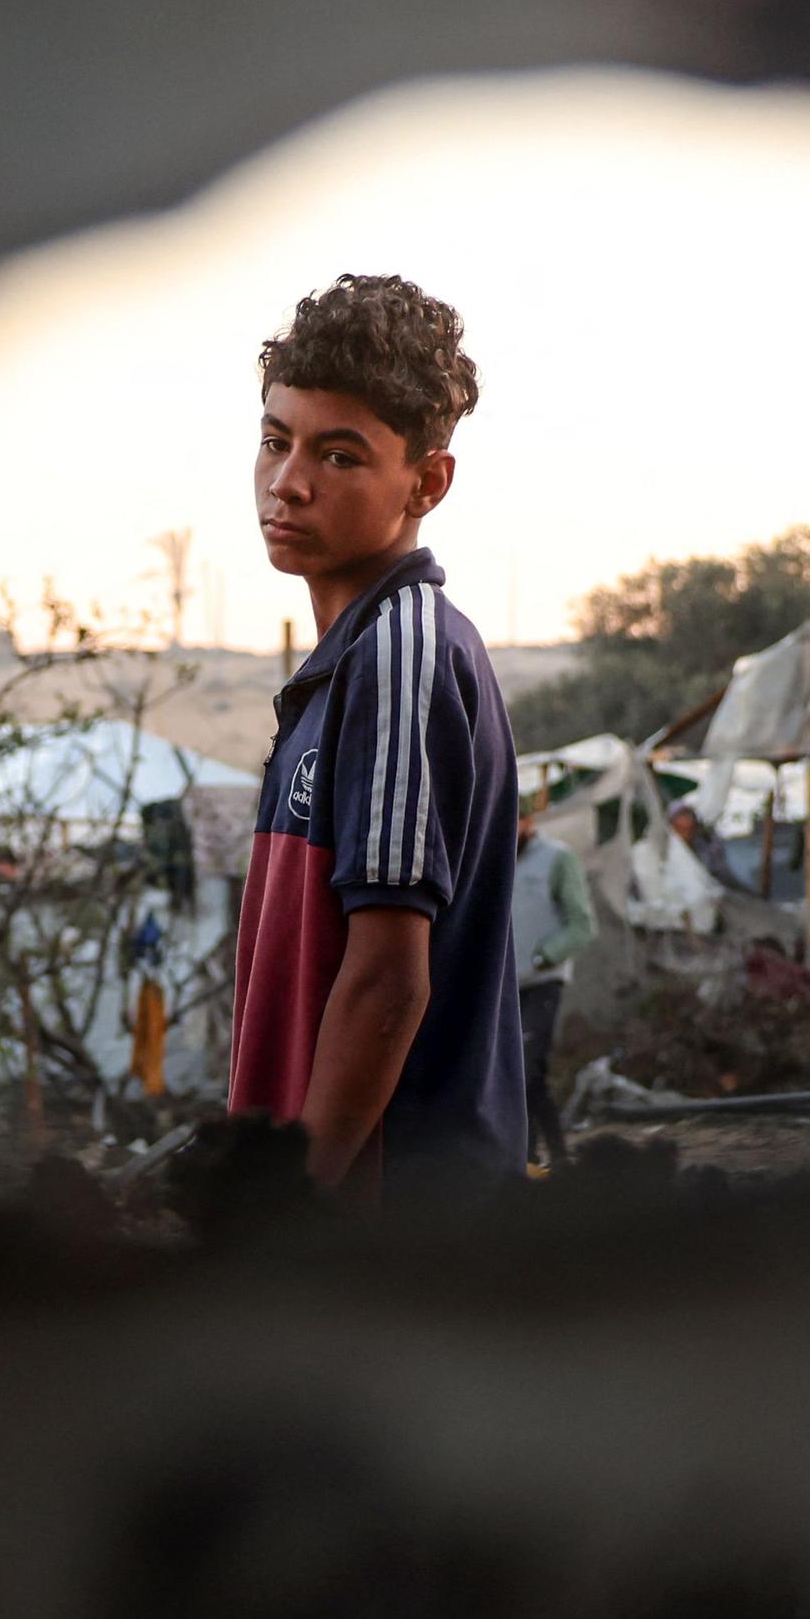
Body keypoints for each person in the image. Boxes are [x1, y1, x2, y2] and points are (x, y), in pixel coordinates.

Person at [231, 275, 526, 1209]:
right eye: (275, 441)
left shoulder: (400, 652)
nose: (289, 482)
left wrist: (292, 1205)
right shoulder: (347, 660)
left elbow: (388, 982)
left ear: (426, 482)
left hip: (385, 1213)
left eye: (340, 455)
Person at [510, 795, 598, 1168]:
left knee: (526, 1070)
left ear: (528, 822)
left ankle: (527, 1158)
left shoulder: (556, 859)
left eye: (513, 821)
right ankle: (559, 1157)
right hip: (505, 988)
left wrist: (544, 955)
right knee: (525, 1075)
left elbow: (583, 924)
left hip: (542, 981)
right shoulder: (492, 860)